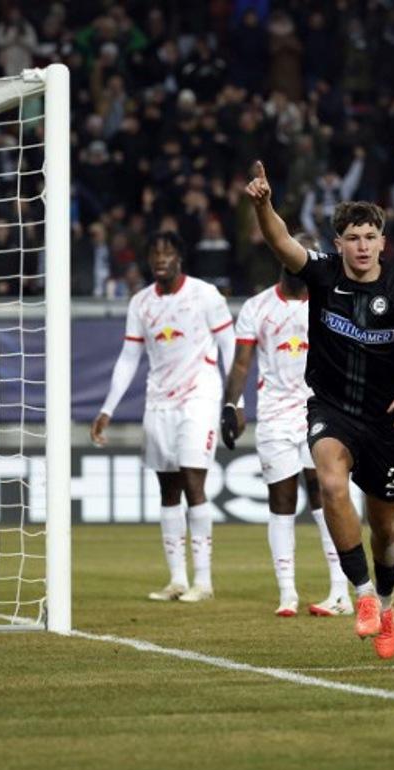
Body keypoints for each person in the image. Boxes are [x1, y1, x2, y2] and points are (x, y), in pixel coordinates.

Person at [245, 160, 394, 661]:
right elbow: (281, 244)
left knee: (386, 533)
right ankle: (361, 596)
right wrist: (263, 205)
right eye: (352, 237)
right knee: (331, 484)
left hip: (387, 420)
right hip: (332, 408)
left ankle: (387, 604)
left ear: (383, 242)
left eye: (369, 236)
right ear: (337, 243)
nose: (361, 245)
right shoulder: (321, 274)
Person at [91, 231, 235, 604]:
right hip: (159, 403)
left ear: (179, 258)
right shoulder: (141, 303)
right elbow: (128, 358)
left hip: (199, 397)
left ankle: (203, 581)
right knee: (168, 488)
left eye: (168, 252)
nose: (161, 258)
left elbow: (229, 345)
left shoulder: (205, 295)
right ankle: (177, 579)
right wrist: (107, 407)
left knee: (192, 478)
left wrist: (234, 402)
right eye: (155, 252)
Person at [220, 231, 351, 618]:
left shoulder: (331, 302)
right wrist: (232, 404)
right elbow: (242, 362)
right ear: (283, 254)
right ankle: (287, 593)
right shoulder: (257, 307)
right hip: (275, 414)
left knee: (324, 495)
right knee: (281, 501)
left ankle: (340, 590)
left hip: (319, 410)